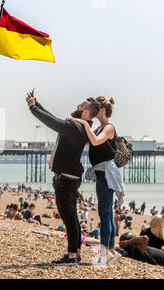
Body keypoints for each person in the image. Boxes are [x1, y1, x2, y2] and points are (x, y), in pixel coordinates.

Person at [26, 91, 100, 265]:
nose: (77, 106)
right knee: (72, 217)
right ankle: (76, 253)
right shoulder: (81, 127)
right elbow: (55, 119)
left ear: (87, 112)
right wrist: (37, 104)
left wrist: (32, 108)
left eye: (81, 106)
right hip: (70, 178)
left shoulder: (76, 127)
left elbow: (52, 122)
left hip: (66, 180)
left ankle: (72, 255)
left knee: (69, 218)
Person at [72, 96, 124, 266]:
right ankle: (110, 252)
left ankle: (106, 254)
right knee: (106, 212)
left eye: (96, 108)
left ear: (102, 110)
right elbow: (87, 141)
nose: (93, 110)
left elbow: (94, 141)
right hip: (103, 173)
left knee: (105, 213)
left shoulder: (108, 128)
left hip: (106, 174)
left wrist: (86, 124)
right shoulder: (100, 127)